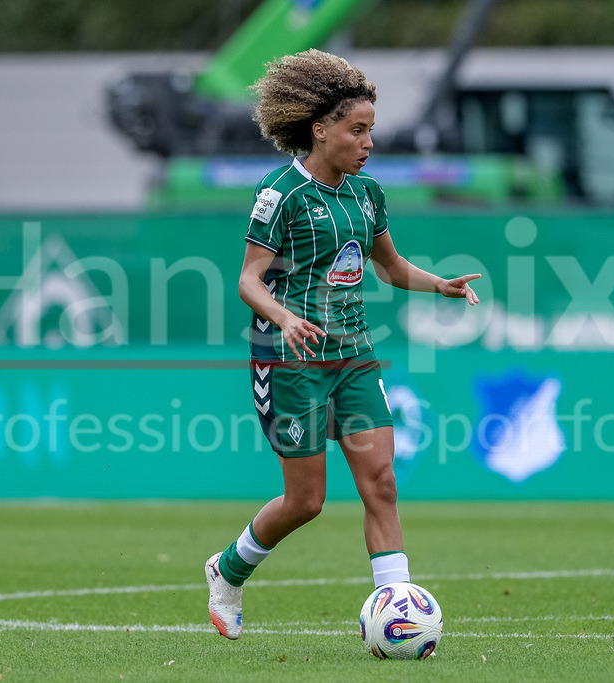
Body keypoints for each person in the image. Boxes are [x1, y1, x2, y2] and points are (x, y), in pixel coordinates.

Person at [205, 48, 480, 640]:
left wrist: (440, 285)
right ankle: (227, 572)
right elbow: (248, 280)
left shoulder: (367, 194)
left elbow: (390, 266)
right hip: (291, 358)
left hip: (353, 353)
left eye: (371, 130)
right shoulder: (281, 194)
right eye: (357, 130)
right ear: (319, 128)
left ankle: (397, 614)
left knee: (380, 482)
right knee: (306, 502)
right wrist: (284, 318)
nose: (368, 142)